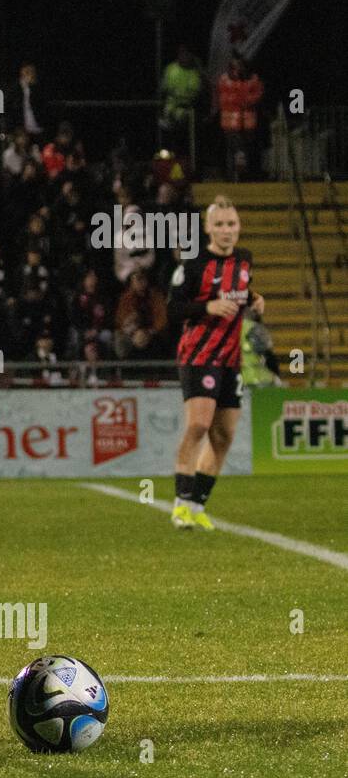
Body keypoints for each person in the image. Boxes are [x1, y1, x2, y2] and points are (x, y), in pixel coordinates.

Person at [167, 195, 262, 530]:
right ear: (208, 228)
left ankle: (196, 505)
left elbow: (240, 292)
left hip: (231, 359)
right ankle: (180, 503)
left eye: (231, 224)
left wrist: (254, 300)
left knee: (223, 436)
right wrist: (206, 307)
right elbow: (173, 310)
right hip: (198, 355)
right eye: (219, 224)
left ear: (238, 227)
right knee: (199, 425)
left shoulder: (245, 260)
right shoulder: (193, 264)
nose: (226, 230)